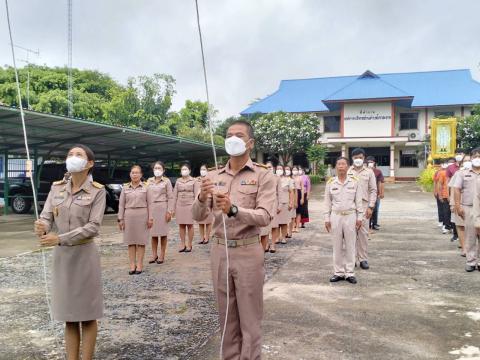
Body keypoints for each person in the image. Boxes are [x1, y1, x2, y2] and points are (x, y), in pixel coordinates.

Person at [192, 120, 276, 360]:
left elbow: (265, 216)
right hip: (219, 251)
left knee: (250, 319)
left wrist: (234, 210)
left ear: (250, 143)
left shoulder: (263, 175)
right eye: (229, 134)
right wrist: (201, 196)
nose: (233, 139)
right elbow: (198, 216)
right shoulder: (213, 175)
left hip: (248, 250)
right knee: (226, 316)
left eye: (238, 135)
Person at [34, 144, 105, 360]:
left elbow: (93, 227)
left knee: (87, 315)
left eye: (79, 154)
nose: (73, 157)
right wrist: (42, 225)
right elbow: (47, 216)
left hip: (84, 257)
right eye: (70, 154)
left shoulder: (98, 191)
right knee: (69, 315)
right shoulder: (57, 188)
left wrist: (60, 238)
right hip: (62, 259)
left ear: (89, 163)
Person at [324, 157, 363, 284]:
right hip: (335, 216)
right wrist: (326, 218)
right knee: (337, 245)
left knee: (351, 245)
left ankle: (350, 273)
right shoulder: (331, 182)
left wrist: (360, 217)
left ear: (348, 166)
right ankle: (338, 272)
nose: (341, 166)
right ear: (336, 166)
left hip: (350, 216)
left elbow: (358, 201)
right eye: (339, 164)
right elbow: (327, 202)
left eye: (343, 164)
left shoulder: (354, 181)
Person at [118, 165, 152, 275]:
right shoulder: (125, 188)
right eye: (133, 172)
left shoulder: (146, 187)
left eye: (137, 173)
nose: (135, 174)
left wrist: (150, 218)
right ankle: (132, 264)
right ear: (130, 174)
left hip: (142, 215)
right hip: (129, 216)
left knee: (141, 242)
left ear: (141, 175)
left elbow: (150, 204)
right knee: (131, 242)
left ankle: (140, 264)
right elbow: (121, 205)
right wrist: (120, 219)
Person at [347, 148, 377, 269]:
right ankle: (352, 259)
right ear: (352, 159)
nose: (357, 160)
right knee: (350, 234)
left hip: (364, 206)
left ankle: (363, 259)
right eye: (355, 158)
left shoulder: (369, 172)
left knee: (363, 234)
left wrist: (371, 206)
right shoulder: (348, 171)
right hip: (350, 206)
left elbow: (373, 190)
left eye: (360, 157)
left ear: (364, 158)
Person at [453, 148, 480, 272]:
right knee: (470, 235)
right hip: (468, 207)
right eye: (475, 156)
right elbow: (457, 189)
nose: (477, 158)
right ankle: (471, 261)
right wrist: (458, 206)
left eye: (479, 156)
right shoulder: (462, 173)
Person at [147, 161, 173, 264]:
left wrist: (169, 211)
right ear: (153, 170)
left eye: (159, 168)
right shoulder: (149, 181)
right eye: (155, 168)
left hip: (162, 208)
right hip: (152, 209)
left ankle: (162, 255)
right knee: (153, 234)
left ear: (163, 170)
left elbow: (170, 197)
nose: (157, 170)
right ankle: (154, 255)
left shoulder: (167, 181)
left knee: (163, 234)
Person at [173, 162, 199, 253]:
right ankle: (182, 244)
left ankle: (189, 244)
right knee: (181, 225)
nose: (184, 171)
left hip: (190, 205)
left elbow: (197, 195)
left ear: (189, 171)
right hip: (180, 205)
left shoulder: (194, 180)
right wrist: (173, 207)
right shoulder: (178, 181)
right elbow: (174, 195)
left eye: (185, 169)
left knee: (190, 225)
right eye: (182, 169)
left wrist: (196, 206)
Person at [272, 164, 295, 246]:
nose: (279, 170)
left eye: (280, 168)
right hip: (275, 203)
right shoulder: (272, 179)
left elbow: (291, 192)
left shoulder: (288, 180)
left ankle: (284, 237)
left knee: (284, 222)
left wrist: (291, 202)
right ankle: (277, 237)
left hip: (285, 203)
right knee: (276, 222)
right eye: (277, 168)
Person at [260, 161, 275, 251]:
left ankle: (268, 245)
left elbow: (277, 194)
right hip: (258, 208)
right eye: (267, 167)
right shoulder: (259, 178)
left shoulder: (275, 178)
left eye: (270, 167)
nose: (268, 169)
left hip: (270, 206)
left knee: (266, 230)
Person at [366, 156, 385, 230]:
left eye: (372, 162)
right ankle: (368, 224)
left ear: (374, 163)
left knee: (376, 209)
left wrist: (381, 193)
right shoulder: (364, 171)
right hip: (366, 194)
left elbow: (381, 182)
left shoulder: (378, 171)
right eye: (369, 162)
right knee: (367, 209)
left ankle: (374, 224)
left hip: (375, 194)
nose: (370, 163)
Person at [197, 164, 214, 245]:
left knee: (208, 221)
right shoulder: (197, 180)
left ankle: (207, 237)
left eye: (204, 169)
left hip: (209, 200)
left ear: (207, 170)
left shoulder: (211, 179)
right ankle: (201, 237)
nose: (202, 171)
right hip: (200, 201)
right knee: (200, 221)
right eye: (201, 169)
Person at [437, 159, 453, 234]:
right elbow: (439, 184)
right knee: (446, 212)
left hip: (454, 195)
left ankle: (453, 227)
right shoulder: (443, 173)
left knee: (453, 213)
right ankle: (446, 226)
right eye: (449, 163)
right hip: (445, 195)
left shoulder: (457, 172)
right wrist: (439, 195)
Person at [284, 165, 296, 239]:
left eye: (288, 169)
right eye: (285, 169)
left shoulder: (292, 180)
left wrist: (294, 202)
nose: (286, 171)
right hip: (283, 201)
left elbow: (295, 192)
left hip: (291, 200)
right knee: (284, 218)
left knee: (291, 217)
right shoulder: (280, 179)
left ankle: (290, 231)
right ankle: (284, 232)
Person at [292, 166, 305, 233]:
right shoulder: (290, 177)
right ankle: (293, 226)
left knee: (298, 212)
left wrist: (302, 198)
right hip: (292, 194)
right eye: (293, 169)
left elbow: (302, 188)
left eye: (295, 169)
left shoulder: (300, 178)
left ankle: (297, 226)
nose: (294, 171)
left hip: (299, 193)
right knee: (292, 211)